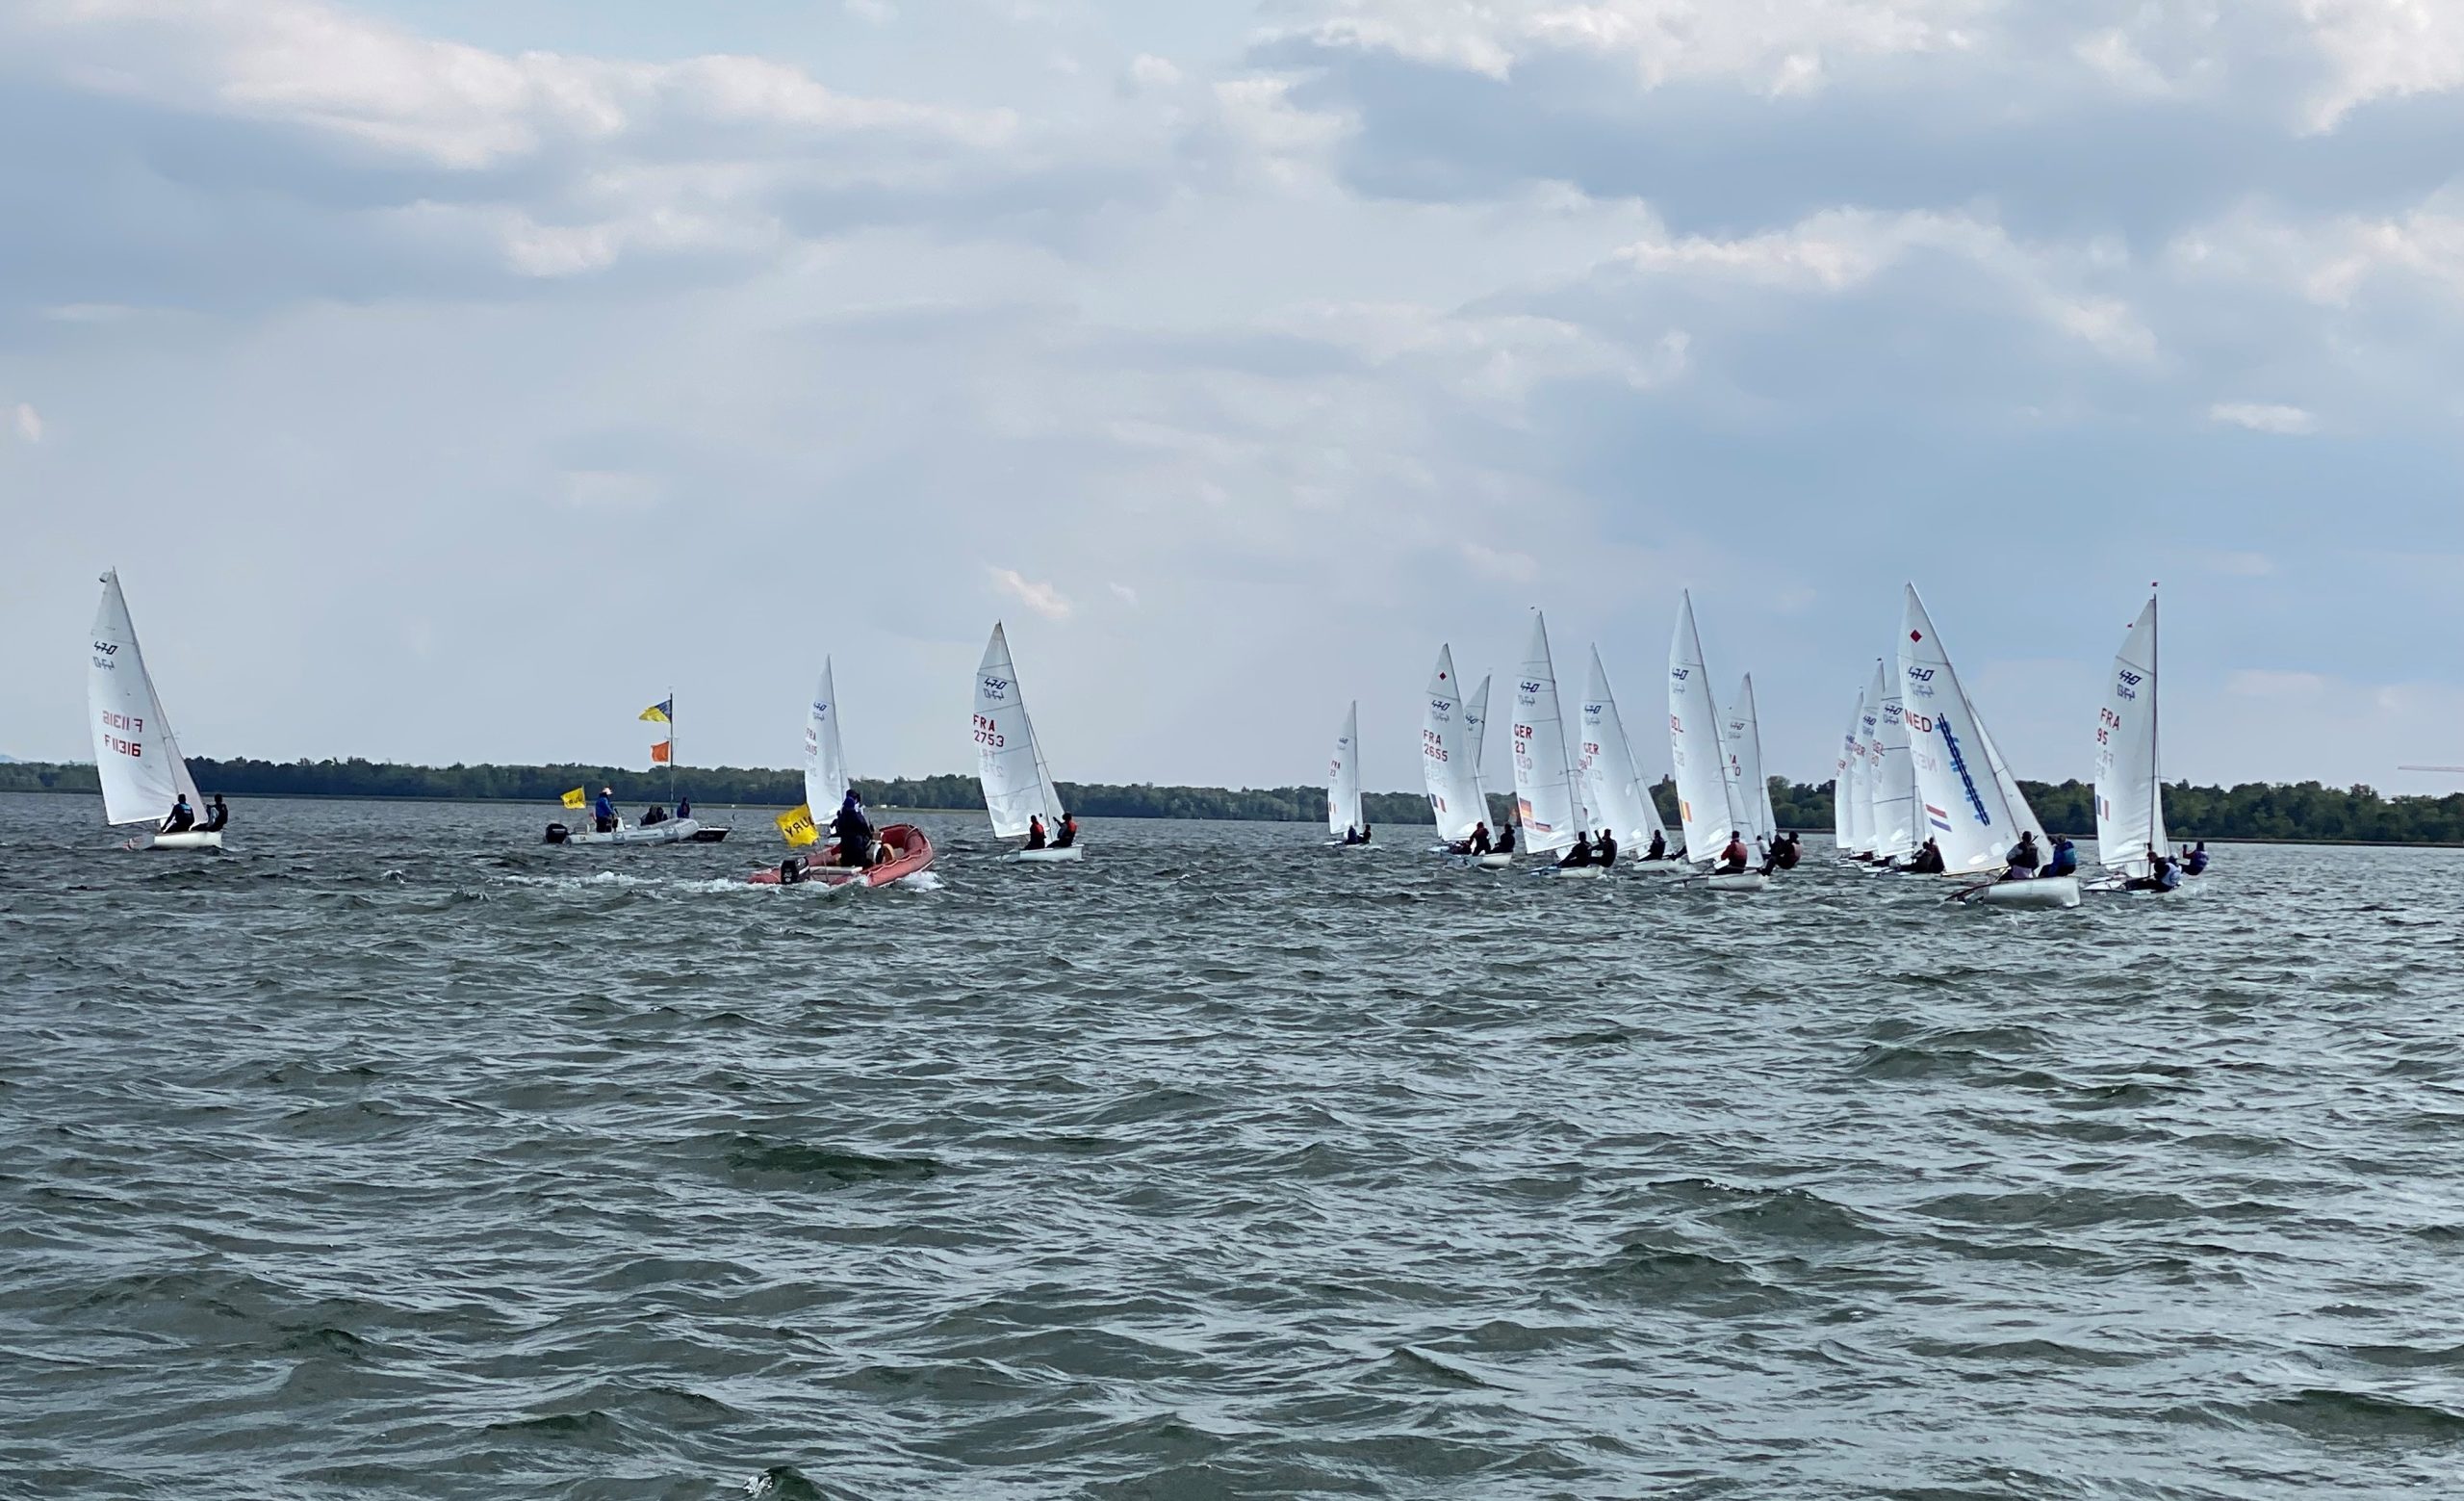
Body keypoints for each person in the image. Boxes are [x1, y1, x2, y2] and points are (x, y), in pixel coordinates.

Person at [832, 792, 876, 867]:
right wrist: (870, 836)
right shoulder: (857, 816)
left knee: (846, 866)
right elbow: (865, 829)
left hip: (845, 847)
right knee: (860, 865)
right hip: (857, 846)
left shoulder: (841, 818)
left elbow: (839, 830)